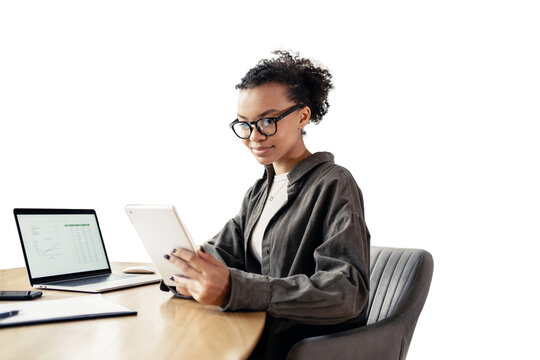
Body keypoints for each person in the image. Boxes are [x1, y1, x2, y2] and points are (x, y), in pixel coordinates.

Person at [162, 50, 370, 359]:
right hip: (254, 334)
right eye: (245, 124)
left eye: (268, 121)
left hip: (297, 347)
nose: (254, 136)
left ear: (302, 116)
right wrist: (185, 270)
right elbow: (221, 254)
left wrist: (236, 289)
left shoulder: (334, 184)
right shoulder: (260, 191)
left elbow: (345, 292)